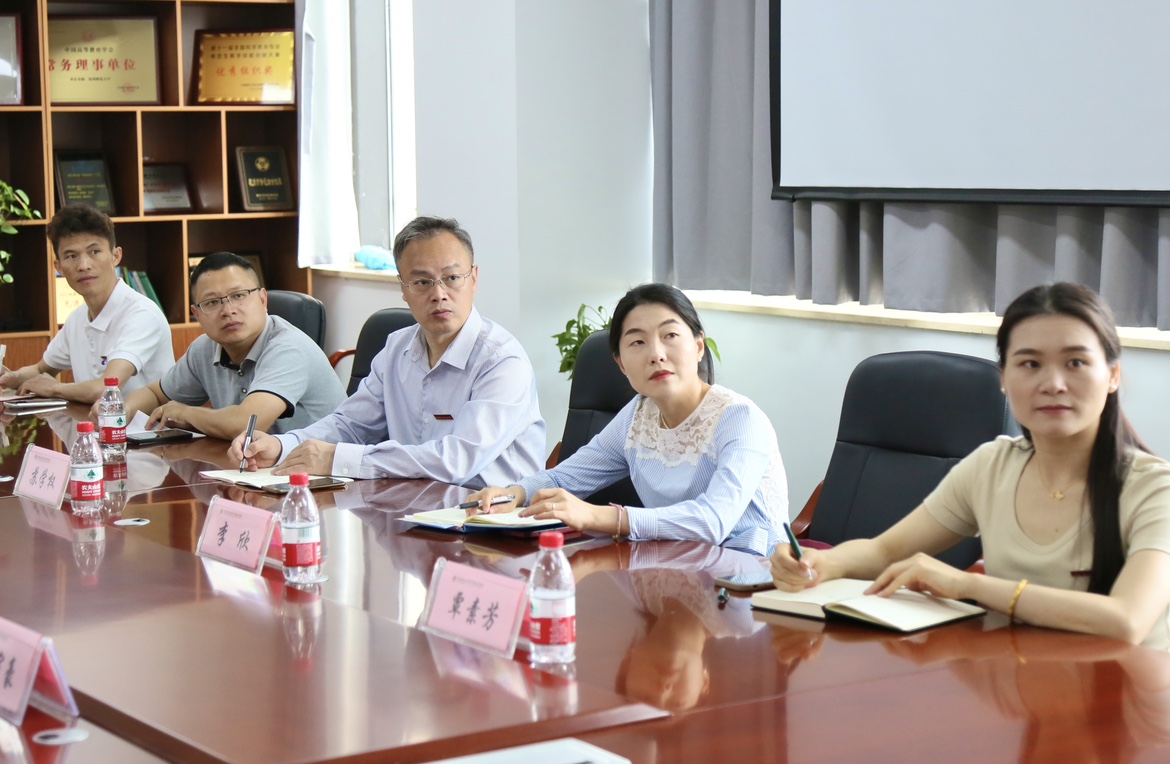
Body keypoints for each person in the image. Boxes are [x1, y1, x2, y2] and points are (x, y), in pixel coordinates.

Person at [772, 282, 1170, 649]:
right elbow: (886, 550)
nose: (1053, 383)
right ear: (1004, 379)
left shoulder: (1154, 488)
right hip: (1021, 682)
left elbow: (1127, 620)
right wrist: (819, 563)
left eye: (1076, 363)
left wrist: (970, 586)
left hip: (1125, 692)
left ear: (1113, 375)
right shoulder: (991, 466)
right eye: (1030, 364)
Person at [468, 283, 788, 557]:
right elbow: (567, 478)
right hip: (675, 567)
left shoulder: (740, 419)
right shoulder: (638, 416)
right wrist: (514, 493)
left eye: (670, 335)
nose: (656, 354)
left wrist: (603, 517)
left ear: (698, 346)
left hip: (753, 577)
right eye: (638, 342)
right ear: (621, 365)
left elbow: (713, 522)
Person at [230, 216, 545, 487]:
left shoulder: (502, 361)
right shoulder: (397, 349)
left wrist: (339, 459)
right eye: (422, 282)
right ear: (403, 288)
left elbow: (456, 461)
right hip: (416, 508)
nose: (439, 294)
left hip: (494, 521)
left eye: (452, 278)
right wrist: (282, 446)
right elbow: (351, 425)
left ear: (473, 278)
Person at [121, 252, 345, 440]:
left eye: (239, 296)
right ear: (197, 315)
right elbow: (155, 394)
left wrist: (187, 414)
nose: (228, 310)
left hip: (325, 471)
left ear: (263, 300)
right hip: (259, 466)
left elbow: (247, 425)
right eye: (212, 302)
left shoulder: (288, 348)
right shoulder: (204, 349)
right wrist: (121, 414)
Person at [0, 205, 174, 402]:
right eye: (71, 256)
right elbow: (41, 369)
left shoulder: (142, 314)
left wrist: (55, 388)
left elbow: (106, 389)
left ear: (116, 256)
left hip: (146, 422)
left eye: (94, 252)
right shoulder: (77, 318)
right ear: (59, 267)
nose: (83, 265)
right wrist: (12, 378)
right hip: (95, 421)